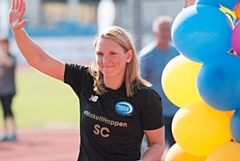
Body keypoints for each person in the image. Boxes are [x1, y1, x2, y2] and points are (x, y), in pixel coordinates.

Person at [9, 0, 165, 160]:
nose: (105, 60)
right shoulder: (85, 80)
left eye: (113, 53)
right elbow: (39, 59)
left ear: (128, 56)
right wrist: (17, 30)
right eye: (100, 54)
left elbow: (157, 144)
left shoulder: (145, 97)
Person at [138, 15, 179, 159]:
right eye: (162, 30)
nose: (165, 33)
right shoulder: (146, 56)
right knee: (153, 150)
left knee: (177, 149)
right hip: (155, 112)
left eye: (168, 30)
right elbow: (140, 85)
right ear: (154, 32)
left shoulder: (178, 53)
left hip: (176, 111)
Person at [0, 36, 17, 141]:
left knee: (8, 109)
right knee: (3, 111)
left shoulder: (11, 57)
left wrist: (2, 56)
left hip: (9, 89)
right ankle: (6, 131)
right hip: (1, 89)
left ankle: (14, 131)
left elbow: (10, 64)